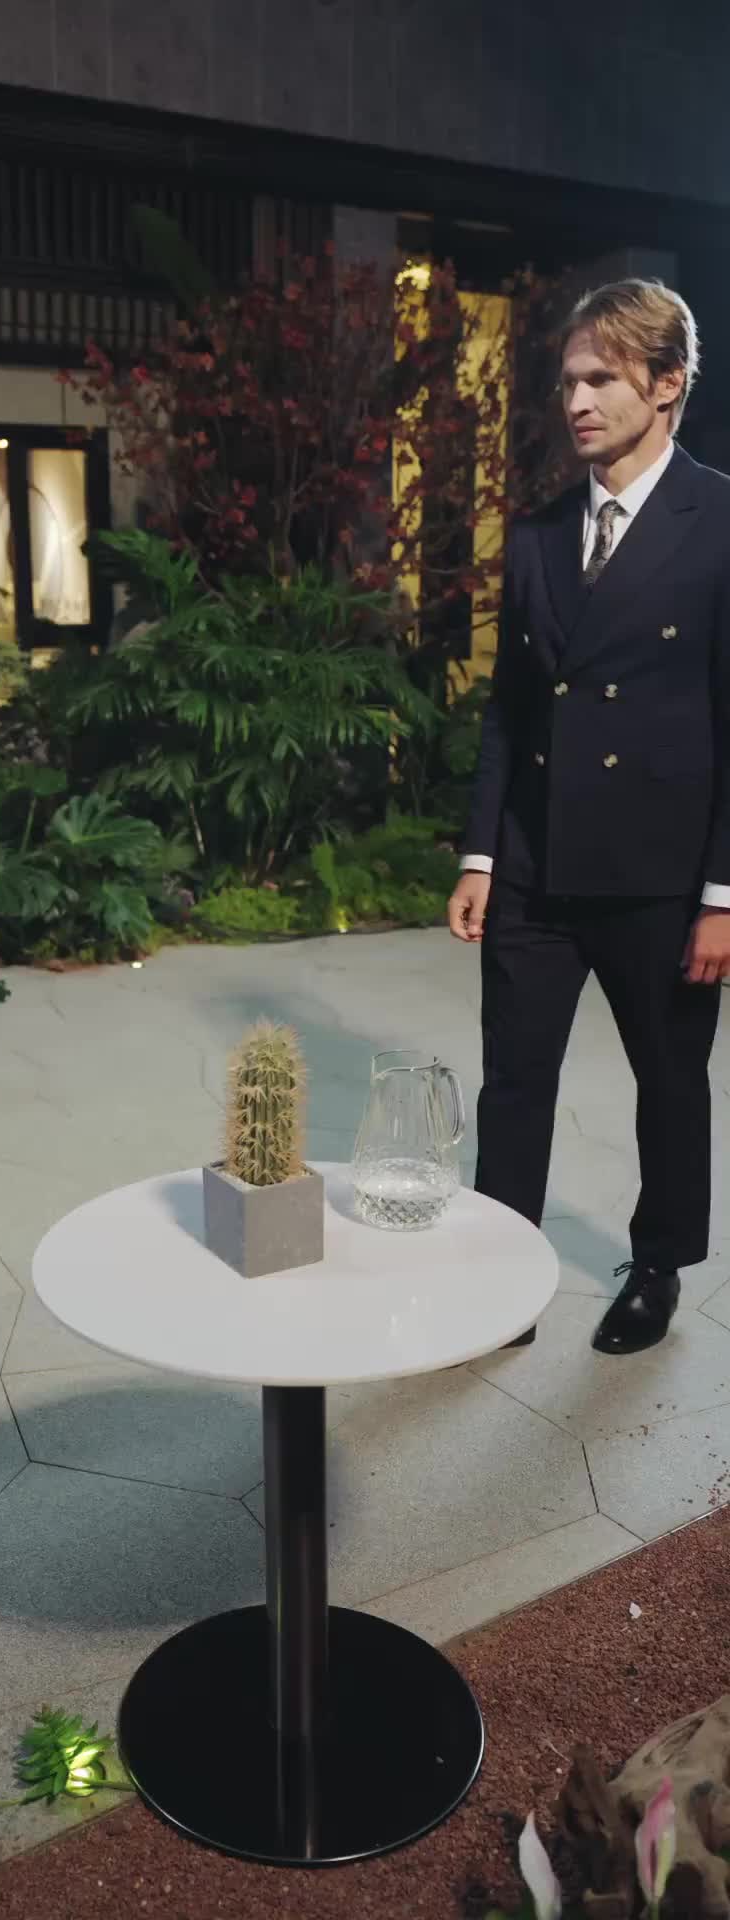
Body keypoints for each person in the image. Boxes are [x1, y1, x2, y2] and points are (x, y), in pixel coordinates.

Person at [449, 279, 730, 1357]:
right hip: (532, 863)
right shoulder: (536, 534)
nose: (575, 400)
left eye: (601, 378)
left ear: (667, 385)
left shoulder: (719, 522)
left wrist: (723, 895)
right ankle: (501, 1275)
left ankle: (657, 1267)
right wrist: (481, 852)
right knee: (515, 1081)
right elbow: (509, 711)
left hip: (663, 875)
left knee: (670, 1082)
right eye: (568, 379)